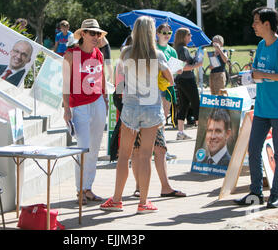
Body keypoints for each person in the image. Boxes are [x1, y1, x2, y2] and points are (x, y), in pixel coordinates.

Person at [100, 16, 173, 214]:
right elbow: (171, 80)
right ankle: (143, 202)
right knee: (145, 156)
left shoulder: (126, 52)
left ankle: (116, 200)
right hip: (151, 107)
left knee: (124, 156)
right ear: (151, 33)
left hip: (131, 107)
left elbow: (120, 77)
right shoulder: (158, 55)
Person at [235, 7, 278, 209]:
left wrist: (263, 75)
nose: (253, 25)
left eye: (256, 22)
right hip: (262, 107)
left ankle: (276, 194)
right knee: (253, 149)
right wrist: (251, 76)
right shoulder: (261, 45)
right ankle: (255, 193)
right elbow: (257, 73)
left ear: (267, 24)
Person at [131, 23, 186, 198]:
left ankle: (163, 187)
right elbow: (169, 78)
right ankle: (140, 188)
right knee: (140, 149)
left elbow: (172, 76)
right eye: (162, 32)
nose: (166, 35)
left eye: (169, 33)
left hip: (150, 105)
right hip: (144, 106)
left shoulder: (131, 52)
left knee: (158, 148)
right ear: (153, 34)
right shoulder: (146, 53)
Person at [62, 18, 108, 204]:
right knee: (83, 147)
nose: (96, 36)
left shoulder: (99, 54)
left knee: (95, 147)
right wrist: (67, 109)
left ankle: (88, 187)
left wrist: (104, 98)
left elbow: (102, 77)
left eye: (98, 33)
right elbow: (65, 84)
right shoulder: (71, 54)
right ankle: (79, 190)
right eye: (92, 33)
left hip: (97, 101)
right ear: (83, 34)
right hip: (79, 105)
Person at [173, 28, 202, 140]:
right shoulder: (183, 49)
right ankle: (201, 133)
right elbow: (183, 67)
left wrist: (194, 59)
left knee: (183, 105)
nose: (191, 36)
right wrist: (197, 65)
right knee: (196, 103)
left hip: (180, 80)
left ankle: (180, 132)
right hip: (187, 79)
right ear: (183, 36)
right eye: (189, 34)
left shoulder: (179, 49)